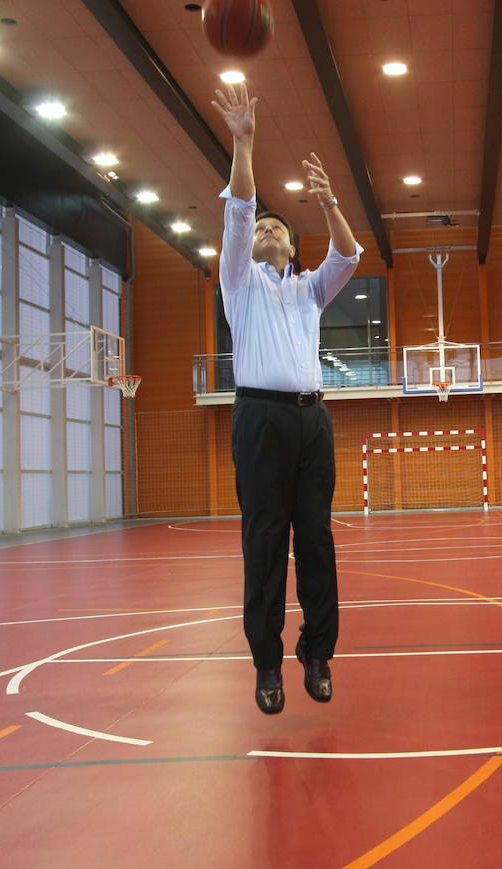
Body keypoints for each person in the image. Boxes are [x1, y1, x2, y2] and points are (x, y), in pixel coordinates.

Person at [211, 82, 362, 715]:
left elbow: (348, 254)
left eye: (278, 227)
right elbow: (241, 208)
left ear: (293, 247)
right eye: (262, 227)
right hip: (260, 420)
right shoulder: (239, 282)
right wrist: (244, 141)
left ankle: (318, 652)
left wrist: (329, 203)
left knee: (318, 538)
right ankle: (267, 664)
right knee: (265, 539)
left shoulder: (307, 291)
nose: (267, 229)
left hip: (311, 421)